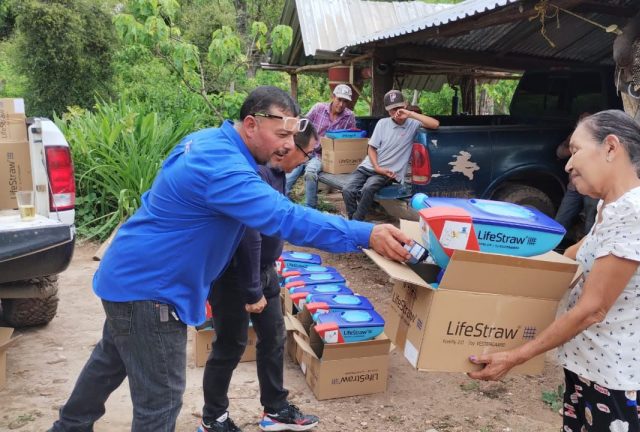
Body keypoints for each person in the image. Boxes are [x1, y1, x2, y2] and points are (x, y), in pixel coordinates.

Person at [48, 86, 413, 432]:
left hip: (130, 275)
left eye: (292, 138)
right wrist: (367, 233)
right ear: (251, 124)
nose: (288, 147)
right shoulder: (224, 168)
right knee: (160, 402)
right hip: (151, 290)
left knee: (108, 363)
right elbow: (285, 217)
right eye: (281, 136)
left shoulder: (208, 140)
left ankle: (68, 427)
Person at [468, 110, 640, 432]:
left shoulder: (638, 211)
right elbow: (575, 255)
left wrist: (515, 356)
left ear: (610, 148)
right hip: (589, 366)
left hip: (614, 379)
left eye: (576, 150)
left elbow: (592, 309)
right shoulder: (611, 205)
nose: (568, 164)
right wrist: (505, 278)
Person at [200, 124, 321, 432]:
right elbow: (248, 234)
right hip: (234, 276)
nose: (307, 161)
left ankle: (276, 409)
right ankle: (214, 418)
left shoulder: (278, 174)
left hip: (265, 271)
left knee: (274, 337)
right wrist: (252, 289)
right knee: (230, 344)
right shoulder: (256, 172)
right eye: (308, 154)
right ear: (289, 145)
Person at [342, 89, 439, 220]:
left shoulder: (413, 124)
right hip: (370, 166)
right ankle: (353, 220)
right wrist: (376, 167)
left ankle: (355, 222)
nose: (397, 112)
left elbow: (435, 124)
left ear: (405, 105)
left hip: (389, 171)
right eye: (392, 110)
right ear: (388, 111)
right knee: (348, 189)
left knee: (368, 188)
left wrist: (410, 113)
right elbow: (371, 148)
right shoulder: (382, 123)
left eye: (399, 107)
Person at [285, 84, 357, 208]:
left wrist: (333, 141)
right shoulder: (319, 108)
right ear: (333, 97)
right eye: (339, 99)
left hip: (323, 156)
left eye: (345, 101)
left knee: (311, 173)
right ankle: (286, 206)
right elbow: (303, 126)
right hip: (305, 151)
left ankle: (310, 209)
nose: (341, 104)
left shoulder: (349, 116)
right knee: (287, 180)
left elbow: (349, 141)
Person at [554, 112, 598, 233]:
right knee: (561, 220)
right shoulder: (574, 137)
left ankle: (588, 250)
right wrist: (574, 149)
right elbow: (560, 152)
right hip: (574, 186)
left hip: (592, 186)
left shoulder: (600, 140)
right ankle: (550, 248)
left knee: (591, 222)